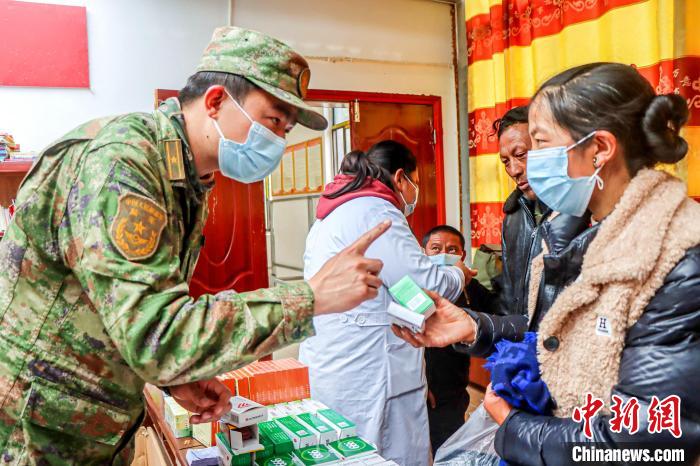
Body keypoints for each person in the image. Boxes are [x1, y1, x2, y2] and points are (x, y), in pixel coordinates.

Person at [0, 27, 391, 465]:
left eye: (287, 130)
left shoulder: (183, 176)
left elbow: (124, 307)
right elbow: (154, 335)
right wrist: (310, 297)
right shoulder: (122, 162)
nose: (279, 141)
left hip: (90, 420)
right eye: (273, 121)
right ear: (216, 101)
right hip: (37, 430)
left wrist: (175, 379)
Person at [398, 62, 700, 465]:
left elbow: (649, 440)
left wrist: (513, 426)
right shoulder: (571, 232)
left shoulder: (679, 258)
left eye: (539, 144)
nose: (528, 165)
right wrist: (473, 326)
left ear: (599, 149)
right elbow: (554, 333)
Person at [299, 141, 470, 466]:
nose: (415, 192)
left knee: (348, 453)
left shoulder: (334, 211)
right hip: (370, 368)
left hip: (340, 363)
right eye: (415, 182)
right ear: (401, 178)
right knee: (381, 454)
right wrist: (459, 273)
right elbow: (428, 287)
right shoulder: (376, 210)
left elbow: (397, 282)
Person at [421, 225, 471, 453]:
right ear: (423, 252)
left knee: (449, 449)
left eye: (451, 250)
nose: (443, 254)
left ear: (462, 255)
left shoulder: (470, 288)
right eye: (436, 248)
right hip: (421, 386)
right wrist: (421, 382)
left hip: (453, 388)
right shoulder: (416, 288)